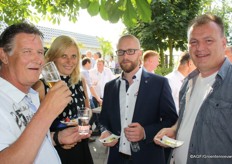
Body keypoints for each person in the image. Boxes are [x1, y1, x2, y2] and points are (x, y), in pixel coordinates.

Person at [0, 22, 86, 163]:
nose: (38, 59)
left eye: (40, 52)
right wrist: (47, 112)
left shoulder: (31, 96)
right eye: (27, 51)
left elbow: (30, 142)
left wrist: (56, 138)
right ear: (3, 55)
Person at [154, 14, 232, 164]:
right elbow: (192, 119)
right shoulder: (188, 82)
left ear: (223, 43)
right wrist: (175, 130)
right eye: (194, 42)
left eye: (208, 40)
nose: (200, 48)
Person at [99, 34, 178, 164]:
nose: (125, 56)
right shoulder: (110, 87)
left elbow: (171, 120)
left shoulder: (159, 83)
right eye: (121, 52)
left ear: (139, 53)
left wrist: (145, 132)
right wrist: (105, 131)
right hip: (116, 159)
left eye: (130, 51)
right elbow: (103, 120)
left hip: (148, 158)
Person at [33, 35, 93, 164]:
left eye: (73, 56)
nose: (69, 61)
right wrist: (57, 138)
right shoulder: (41, 86)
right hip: (56, 151)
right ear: (54, 57)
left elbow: (87, 109)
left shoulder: (80, 81)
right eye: (64, 56)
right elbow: (32, 126)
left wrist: (85, 124)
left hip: (81, 147)